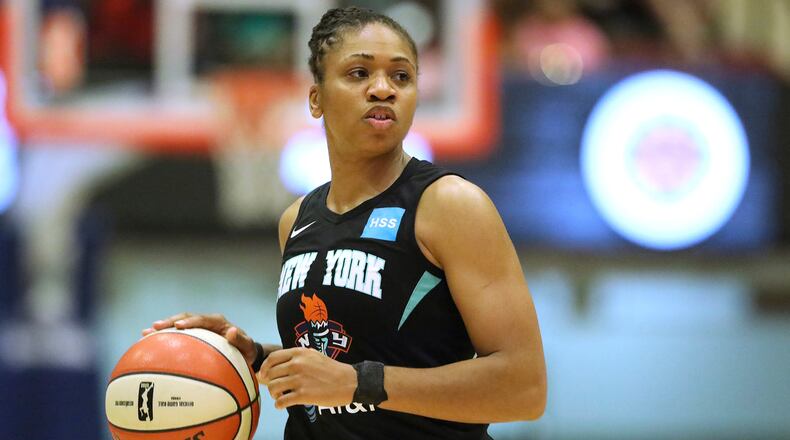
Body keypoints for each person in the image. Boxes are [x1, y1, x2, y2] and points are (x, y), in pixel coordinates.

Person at [143, 6, 546, 439]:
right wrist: (254, 356)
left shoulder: (449, 205)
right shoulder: (296, 220)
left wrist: (358, 384)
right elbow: (347, 355)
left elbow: (524, 387)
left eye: (401, 77)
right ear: (316, 98)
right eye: (358, 73)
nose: (382, 89)